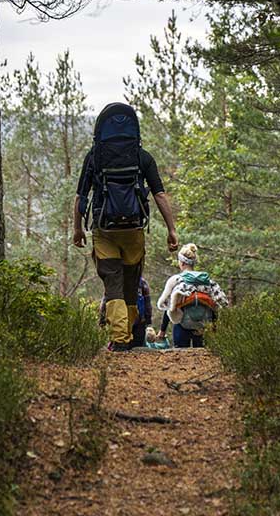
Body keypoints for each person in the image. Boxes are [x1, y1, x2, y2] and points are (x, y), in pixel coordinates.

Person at [74, 102, 178, 352]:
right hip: (134, 230)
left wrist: (77, 229)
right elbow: (159, 194)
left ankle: (119, 340)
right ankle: (128, 335)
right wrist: (171, 230)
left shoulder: (94, 156)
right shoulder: (142, 156)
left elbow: (80, 197)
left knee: (113, 286)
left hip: (104, 231)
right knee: (131, 286)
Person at [157, 243, 228, 348]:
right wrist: (214, 327)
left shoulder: (176, 280)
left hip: (181, 325)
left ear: (181, 263)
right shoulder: (207, 281)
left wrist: (162, 330)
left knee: (181, 357)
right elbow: (217, 305)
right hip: (203, 325)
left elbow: (168, 306)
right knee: (202, 357)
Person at [98, 274, 152, 348]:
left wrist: (102, 320)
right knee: (137, 348)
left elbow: (105, 301)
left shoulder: (115, 283)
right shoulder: (141, 282)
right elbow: (147, 301)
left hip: (118, 321)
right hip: (138, 321)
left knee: (119, 347)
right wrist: (148, 319)